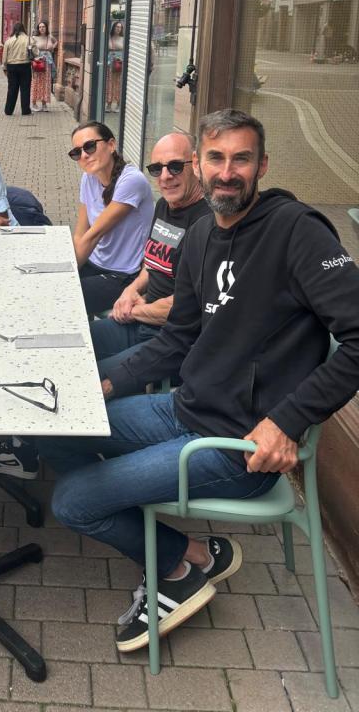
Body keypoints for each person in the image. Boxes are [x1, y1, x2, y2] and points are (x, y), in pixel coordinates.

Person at [41, 108, 359, 653]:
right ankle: (187, 553)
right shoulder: (201, 236)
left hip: (239, 444)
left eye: (242, 159)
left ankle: (174, 572)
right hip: (185, 408)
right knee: (59, 431)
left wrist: (287, 420)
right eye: (216, 158)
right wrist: (107, 385)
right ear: (199, 163)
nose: (227, 172)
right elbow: (177, 339)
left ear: (262, 165)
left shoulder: (297, 232)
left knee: (72, 501)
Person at [91, 131, 208, 381]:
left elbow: (190, 306)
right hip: (141, 322)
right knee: (75, 346)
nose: (165, 176)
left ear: (196, 164)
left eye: (175, 166)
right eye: (157, 169)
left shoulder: (207, 223)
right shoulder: (164, 205)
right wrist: (131, 290)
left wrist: (136, 310)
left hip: (170, 339)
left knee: (89, 377)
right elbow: (152, 263)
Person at [71, 121, 154, 317]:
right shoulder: (88, 178)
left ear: (111, 145)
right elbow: (80, 235)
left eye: (90, 146)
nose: (84, 155)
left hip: (123, 274)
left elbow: (94, 235)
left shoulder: (131, 180)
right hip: (94, 262)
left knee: (65, 296)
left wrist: (65, 276)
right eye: (77, 152)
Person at [2, 22, 33, 117]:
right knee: (25, 89)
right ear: (23, 29)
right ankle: (25, 110)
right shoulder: (29, 39)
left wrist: (4, 68)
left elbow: (4, 56)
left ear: (14, 29)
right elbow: (35, 52)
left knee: (12, 88)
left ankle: (8, 110)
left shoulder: (9, 41)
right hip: (25, 65)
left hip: (12, 66)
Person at [30, 21, 57, 112]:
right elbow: (30, 48)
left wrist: (53, 47)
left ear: (46, 28)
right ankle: (34, 103)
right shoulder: (34, 38)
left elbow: (56, 42)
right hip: (38, 62)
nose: (42, 28)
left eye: (43, 26)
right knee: (36, 82)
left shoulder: (49, 37)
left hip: (47, 63)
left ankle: (44, 104)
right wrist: (35, 55)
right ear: (38, 28)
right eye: (40, 27)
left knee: (46, 83)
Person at [107, 20, 125, 110]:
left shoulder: (123, 39)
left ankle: (117, 102)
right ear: (113, 27)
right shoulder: (109, 37)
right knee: (109, 82)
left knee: (118, 82)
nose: (118, 29)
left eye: (120, 27)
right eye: (117, 27)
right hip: (110, 62)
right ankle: (108, 102)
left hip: (120, 63)